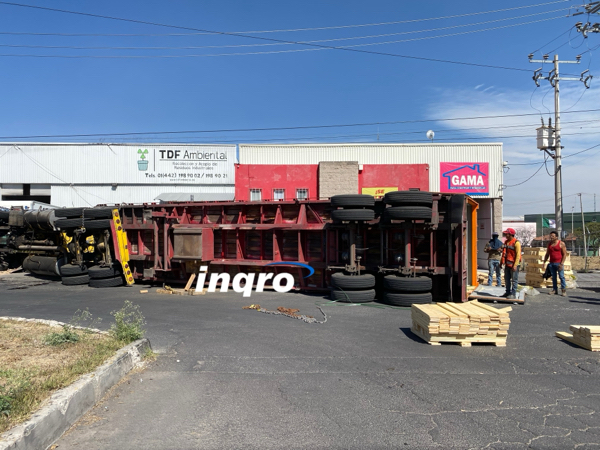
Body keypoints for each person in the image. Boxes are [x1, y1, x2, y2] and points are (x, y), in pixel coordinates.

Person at [543, 230, 568, 296]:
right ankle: (554, 290)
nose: (551, 237)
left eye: (553, 236)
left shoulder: (561, 243)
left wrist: (561, 263)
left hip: (559, 263)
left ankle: (563, 290)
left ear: (556, 237)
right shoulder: (549, 244)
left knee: (561, 276)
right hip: (551, 263)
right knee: (553, 277)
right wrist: (544, 261)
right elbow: (547, 254)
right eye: (550, 236)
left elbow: (564, 254)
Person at [500, 228, 521, 299]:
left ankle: (513, 294)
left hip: (513, 265)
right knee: (507, 279)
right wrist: (501, 262)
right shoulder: (506, 242)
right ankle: (507, 292)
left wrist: (515, 265)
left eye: (507, 234)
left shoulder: (516, 243)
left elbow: (518, 255)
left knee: (514, 280)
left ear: (511, 234)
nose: (505, 235)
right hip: (507, 264)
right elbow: (504, 253)